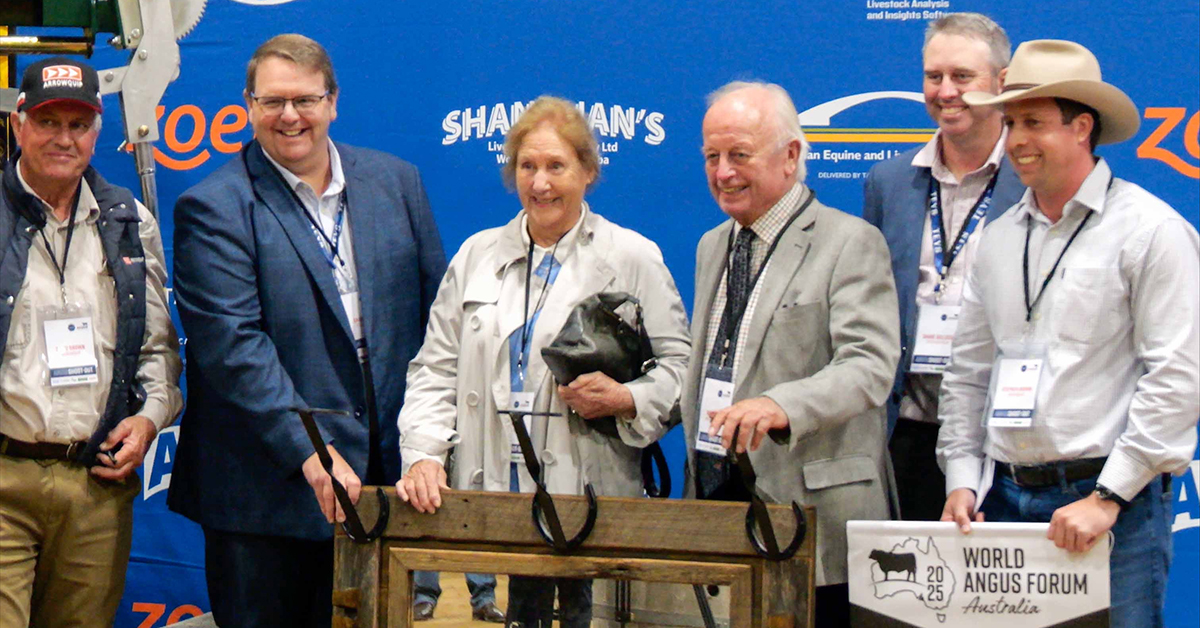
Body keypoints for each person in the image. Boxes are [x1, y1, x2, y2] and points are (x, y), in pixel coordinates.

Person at [167, 34, 449, 627]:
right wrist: (311, 452)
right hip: (266, 501)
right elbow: (234, 350)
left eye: (304, 99)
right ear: (249, 106)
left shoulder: (398, 183)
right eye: (272, 101)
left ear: (333, 101)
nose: (289, 115)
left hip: (386, 489)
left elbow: (436, 325)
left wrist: (428, 447)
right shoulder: (213, 206)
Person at [396, 95, 690, 628]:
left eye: (557, 166)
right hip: (491, 497)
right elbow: (434, 369)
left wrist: (628, 398)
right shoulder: (476, 255)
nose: (540, 183)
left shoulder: (632, 256)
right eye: (527, 166)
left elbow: (681, 370)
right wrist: (423, 454)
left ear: (588, 171)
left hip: (588, 496)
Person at [938, 39, 1199, 628]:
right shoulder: (1000, 238)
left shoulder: (1151, 231)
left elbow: (1178, 377)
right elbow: (969, 372)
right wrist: (962, 481)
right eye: (1010, 123)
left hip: (1112, 506)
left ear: (1082, 128)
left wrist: (1108, 498)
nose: (1016, 140)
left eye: (1033, 122)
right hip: (1002, 501)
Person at [684, 81, 899, 627]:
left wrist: (782, 405)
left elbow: (869, 366)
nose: (723, 172)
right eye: (711, 157)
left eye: (739, 155)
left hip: (815, 516)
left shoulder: (851, 242)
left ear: (791, 155)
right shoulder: (712, 245)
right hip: (721, 504)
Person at [0, 56, 182, 626]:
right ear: (18, 125)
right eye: (48, 121)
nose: (64, 138)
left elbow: (158, 348)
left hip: (95, 484)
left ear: (97, 133)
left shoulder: (129, 222)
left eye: (78, 125)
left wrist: (149, 419)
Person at [862, 13, 1025, 521]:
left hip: (1003, 440)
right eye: (934, 76)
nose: (946, 91)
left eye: (962, 76)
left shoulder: (1034, 182)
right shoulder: (889, 182)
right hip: (906, 431)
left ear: (1001, 82)